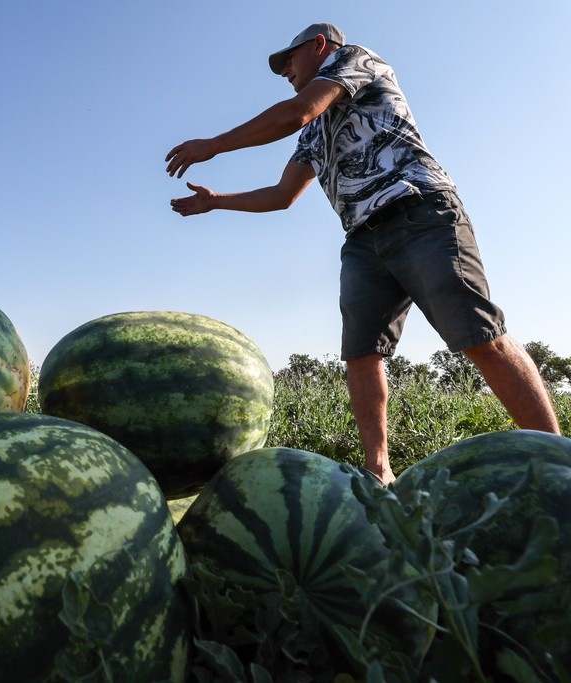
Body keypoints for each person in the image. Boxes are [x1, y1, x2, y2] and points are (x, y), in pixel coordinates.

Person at [165, 23, 559, 484]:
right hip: (362, 240)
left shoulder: (355, 60)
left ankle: (556, 460)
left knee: (479, 334)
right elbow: (282, 194)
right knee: (361, 353)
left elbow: (296, 112)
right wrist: (217, 202)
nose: (285, 70)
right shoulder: (315, 134)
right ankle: (379, 473)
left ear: (319, 47)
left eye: (289, 60)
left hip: (420, 210)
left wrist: (212, 145)